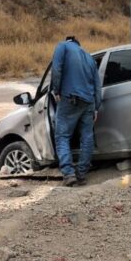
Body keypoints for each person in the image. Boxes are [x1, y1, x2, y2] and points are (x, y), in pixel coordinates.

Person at [51, 36, 103, 186]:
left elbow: (56, 69)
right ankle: (81, 174)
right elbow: (97, 85)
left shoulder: (62, 46)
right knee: (87, 137)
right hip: (88, 102)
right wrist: (96, 107)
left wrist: (56, 90)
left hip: (70, 98)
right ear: (78, 44)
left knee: (62, 136)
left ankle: (68, 174)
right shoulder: (89, 57)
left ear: (69, 41)